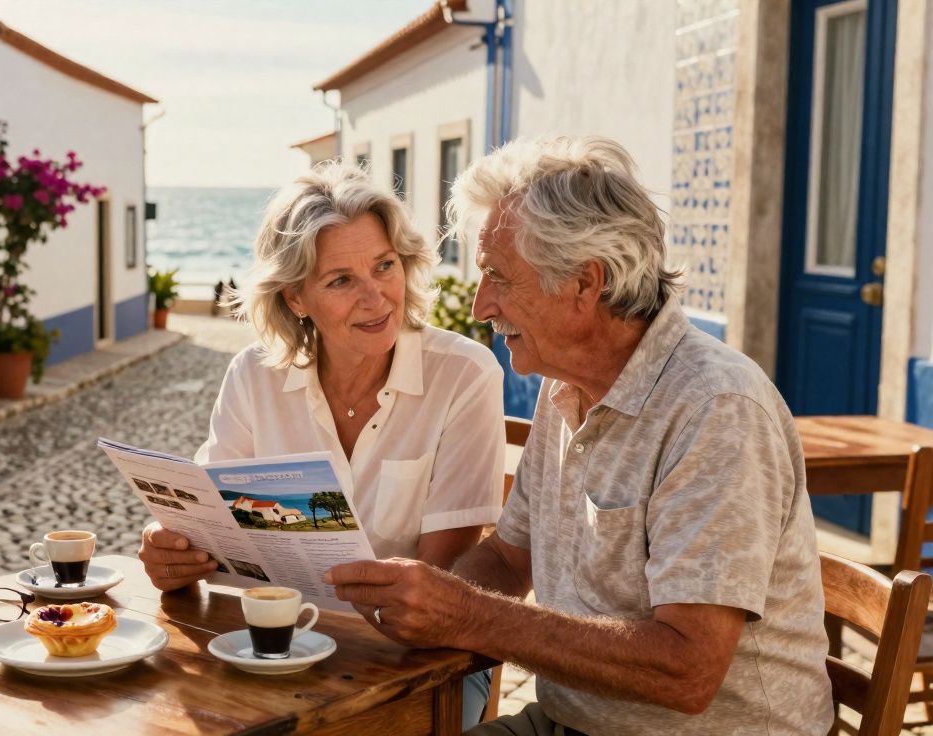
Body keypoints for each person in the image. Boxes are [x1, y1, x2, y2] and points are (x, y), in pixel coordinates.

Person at [326, 136, 832, 735]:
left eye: (498, 277)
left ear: (585, 285)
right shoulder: (565, 384)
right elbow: (508, 557)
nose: (481, 305)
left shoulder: (715, 409)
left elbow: (688, 670)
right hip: (568, 723)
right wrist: (419, 606)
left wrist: (466, 615)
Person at [138, 162, 506, 728]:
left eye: (385, 266)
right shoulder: (253, 375)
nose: (376, 296)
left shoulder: (463, 375)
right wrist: (173, 554)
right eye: (340, 280)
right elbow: (207, 531)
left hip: (418, 664)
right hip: (274, 650)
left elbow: (442, 584)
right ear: (296, 299)